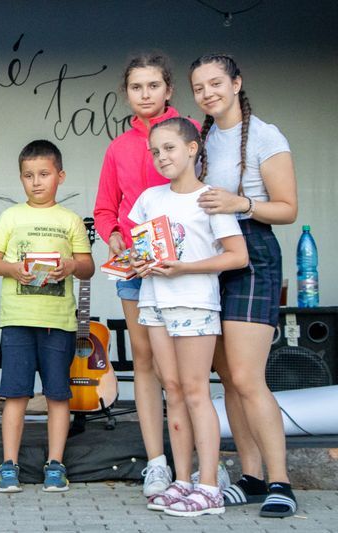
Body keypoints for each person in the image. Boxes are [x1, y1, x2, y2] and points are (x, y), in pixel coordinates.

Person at [190, 54, 299, 518]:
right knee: (229, 378)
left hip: (253, 253)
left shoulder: (265, 135)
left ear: (236, 84)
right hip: (211, 254)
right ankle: (251, 477)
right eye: (199, 87)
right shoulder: (201, 138)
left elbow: (288, 208)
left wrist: (242, 203)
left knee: (249, 377)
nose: (208, 93)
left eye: (216, 83)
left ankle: (281, 482)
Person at [130, 118, 248, 517]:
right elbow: (139, 250)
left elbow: (237, 256)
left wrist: (185, 268)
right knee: (173, 390)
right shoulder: (149, 198)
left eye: (169, 148)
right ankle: (182, 481)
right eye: (155, 151)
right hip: (155, 303)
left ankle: (209, 485)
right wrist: (136, 263)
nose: (162, 157)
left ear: (193, 148)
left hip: (195, 303)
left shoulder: (210, 199)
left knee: (196, 391)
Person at [93, 53, 198, 497]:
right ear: (126, 93)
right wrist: (114, 235)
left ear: (169, 89)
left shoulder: (192, 132)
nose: (145, 94)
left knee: (191, 366)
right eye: (136, 87)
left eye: (153, 85)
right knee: (146, 360)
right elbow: (105, 209)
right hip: (136, 267)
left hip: (187, 265)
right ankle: (156, 462)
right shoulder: (118, 147)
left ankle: (197, 462)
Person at [0, 140, 94, 493]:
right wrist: (12, 269)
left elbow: (88, 267)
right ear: (21, 178)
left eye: (44, 174)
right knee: (15, 393)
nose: (36, 182)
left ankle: (55, 464)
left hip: (58, 322)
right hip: (17, 319)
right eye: (28, 175)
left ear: (60, 176)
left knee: (57, 394)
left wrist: (71, 265)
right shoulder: (11, 216)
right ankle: (9, 464)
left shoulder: (70, 220)